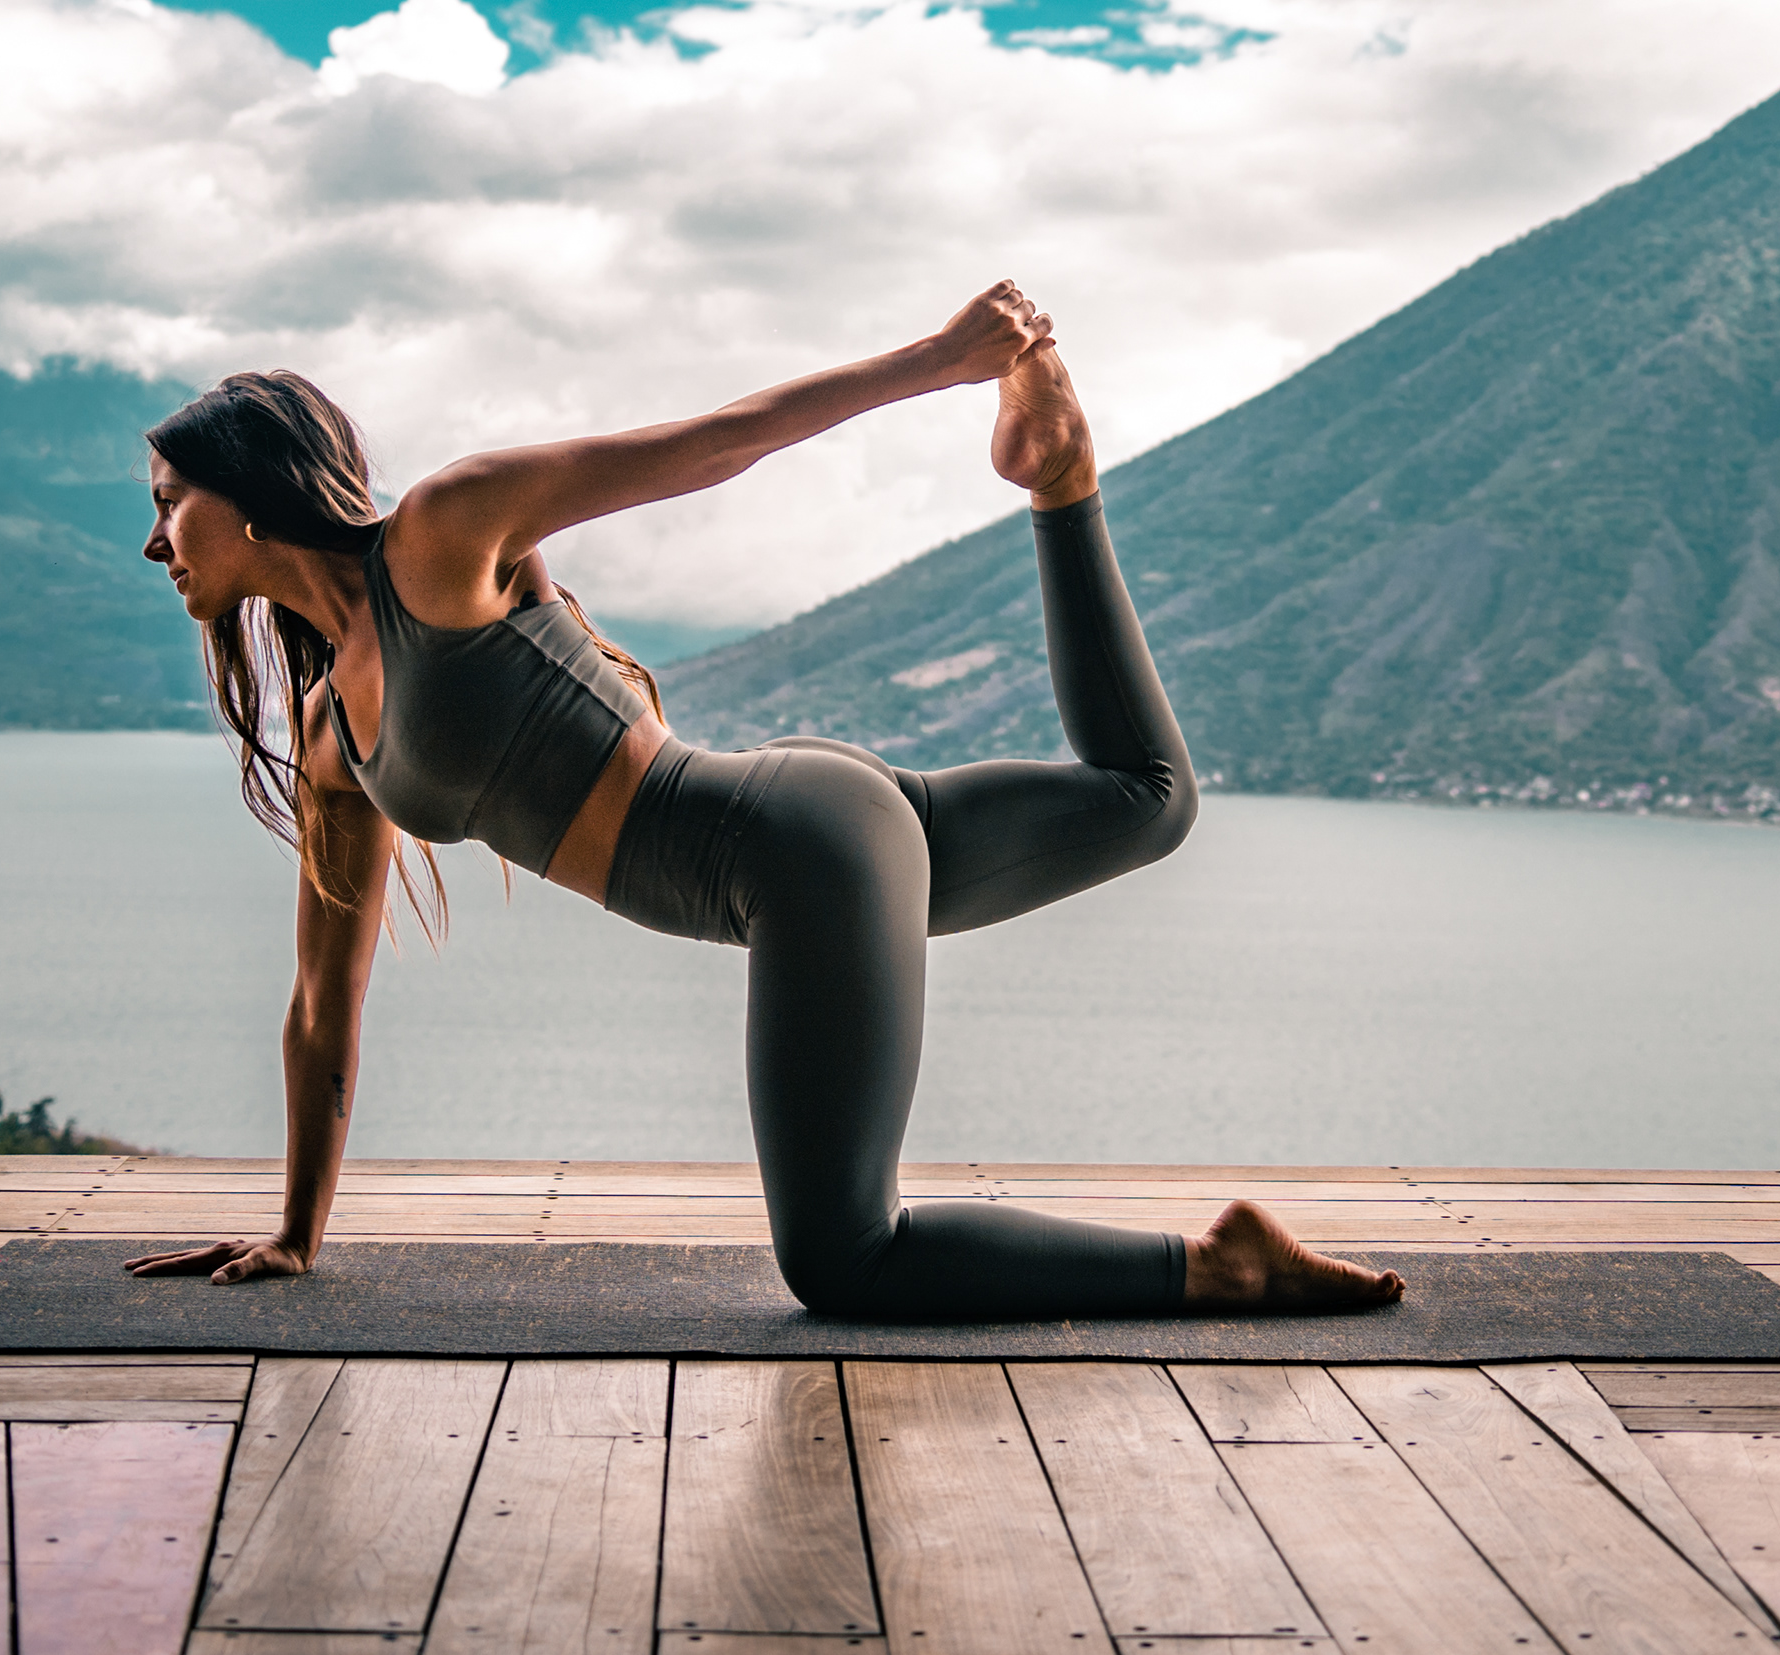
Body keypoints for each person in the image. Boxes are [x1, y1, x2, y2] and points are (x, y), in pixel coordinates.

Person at [121, 281, 1404, 1320]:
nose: (156, 540)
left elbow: (716, 444)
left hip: (793, 855)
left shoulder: (442, 536)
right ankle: (1059, 474)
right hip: (812, 827)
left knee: (846, 1261)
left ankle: (1220, 1266)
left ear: (250, 489)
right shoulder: (331, 734)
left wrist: (943, 359)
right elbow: (321, 1003)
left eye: (172, 504)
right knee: (1147, 798)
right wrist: (297, 1233)